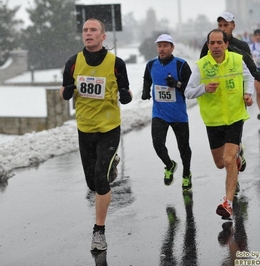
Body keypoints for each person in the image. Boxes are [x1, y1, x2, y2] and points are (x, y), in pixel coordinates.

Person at [60, 18, 132, 251]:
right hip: (85, 129)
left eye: (93, 30)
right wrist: (67, 91)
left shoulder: (116, 63)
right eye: (85, 30)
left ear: (103, 36)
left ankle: (99, 231)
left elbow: (126, 90)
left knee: (100, 179)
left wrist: (125, 94)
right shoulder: (73, 63)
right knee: (92, 183)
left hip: (109, 128)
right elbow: (64, 91)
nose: (88, 33)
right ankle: (111, 165)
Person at [185, 29, 254, 219]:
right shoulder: (201, 65)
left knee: (229, 160)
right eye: (212, 43)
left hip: (235, 117)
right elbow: (188, 92)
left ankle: (228, 203)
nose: (216, 46)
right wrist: (204, 88)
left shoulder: (237, 60)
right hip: (213, 120)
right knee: (220, 163)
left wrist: (248, 94)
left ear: (226, 44)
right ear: (208, 45)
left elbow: (249, 78)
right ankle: (237, 156)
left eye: (219, 43)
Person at [141, 33, 193, 192]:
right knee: (157, 144)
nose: (162, 49)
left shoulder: (181, 65)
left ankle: (186, 173)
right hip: (159, 113)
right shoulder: (151, 64)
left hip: (178, 114)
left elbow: (191, 89)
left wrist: (176, 84)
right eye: (159, 46)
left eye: (165, 46)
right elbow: (147, 79)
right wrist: (145, 91)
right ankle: (169, 165)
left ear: (172, 48)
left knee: (183, 147)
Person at [200, 12, 260, 83]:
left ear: (233, 26)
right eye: (220, 25)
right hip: (216, 88)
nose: (222, 29)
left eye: (226, 25)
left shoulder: (242, 45)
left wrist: (247, 92)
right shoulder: (209, 45)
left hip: (237, 89)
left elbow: (250, 71)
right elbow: (202, 67)